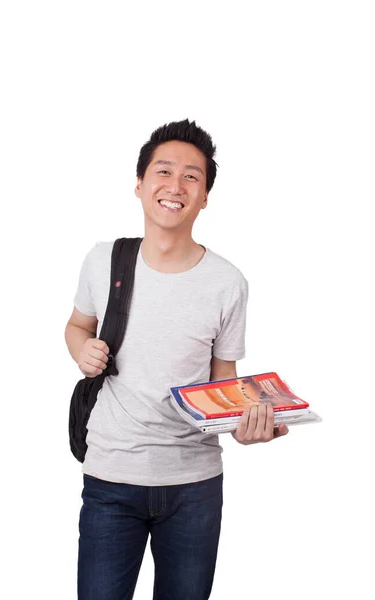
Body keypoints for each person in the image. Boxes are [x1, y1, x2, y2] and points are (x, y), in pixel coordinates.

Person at [64, 119, 289, 600]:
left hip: (194, 485)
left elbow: (222, 385)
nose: (176, 185)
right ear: (140, 184)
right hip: (111, 478)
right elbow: (76, 325)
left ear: (205, 196)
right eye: (163, 171)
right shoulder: (103, 260)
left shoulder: (228, 283)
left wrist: (251, 427)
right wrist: (81, 349)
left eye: (192, 176)